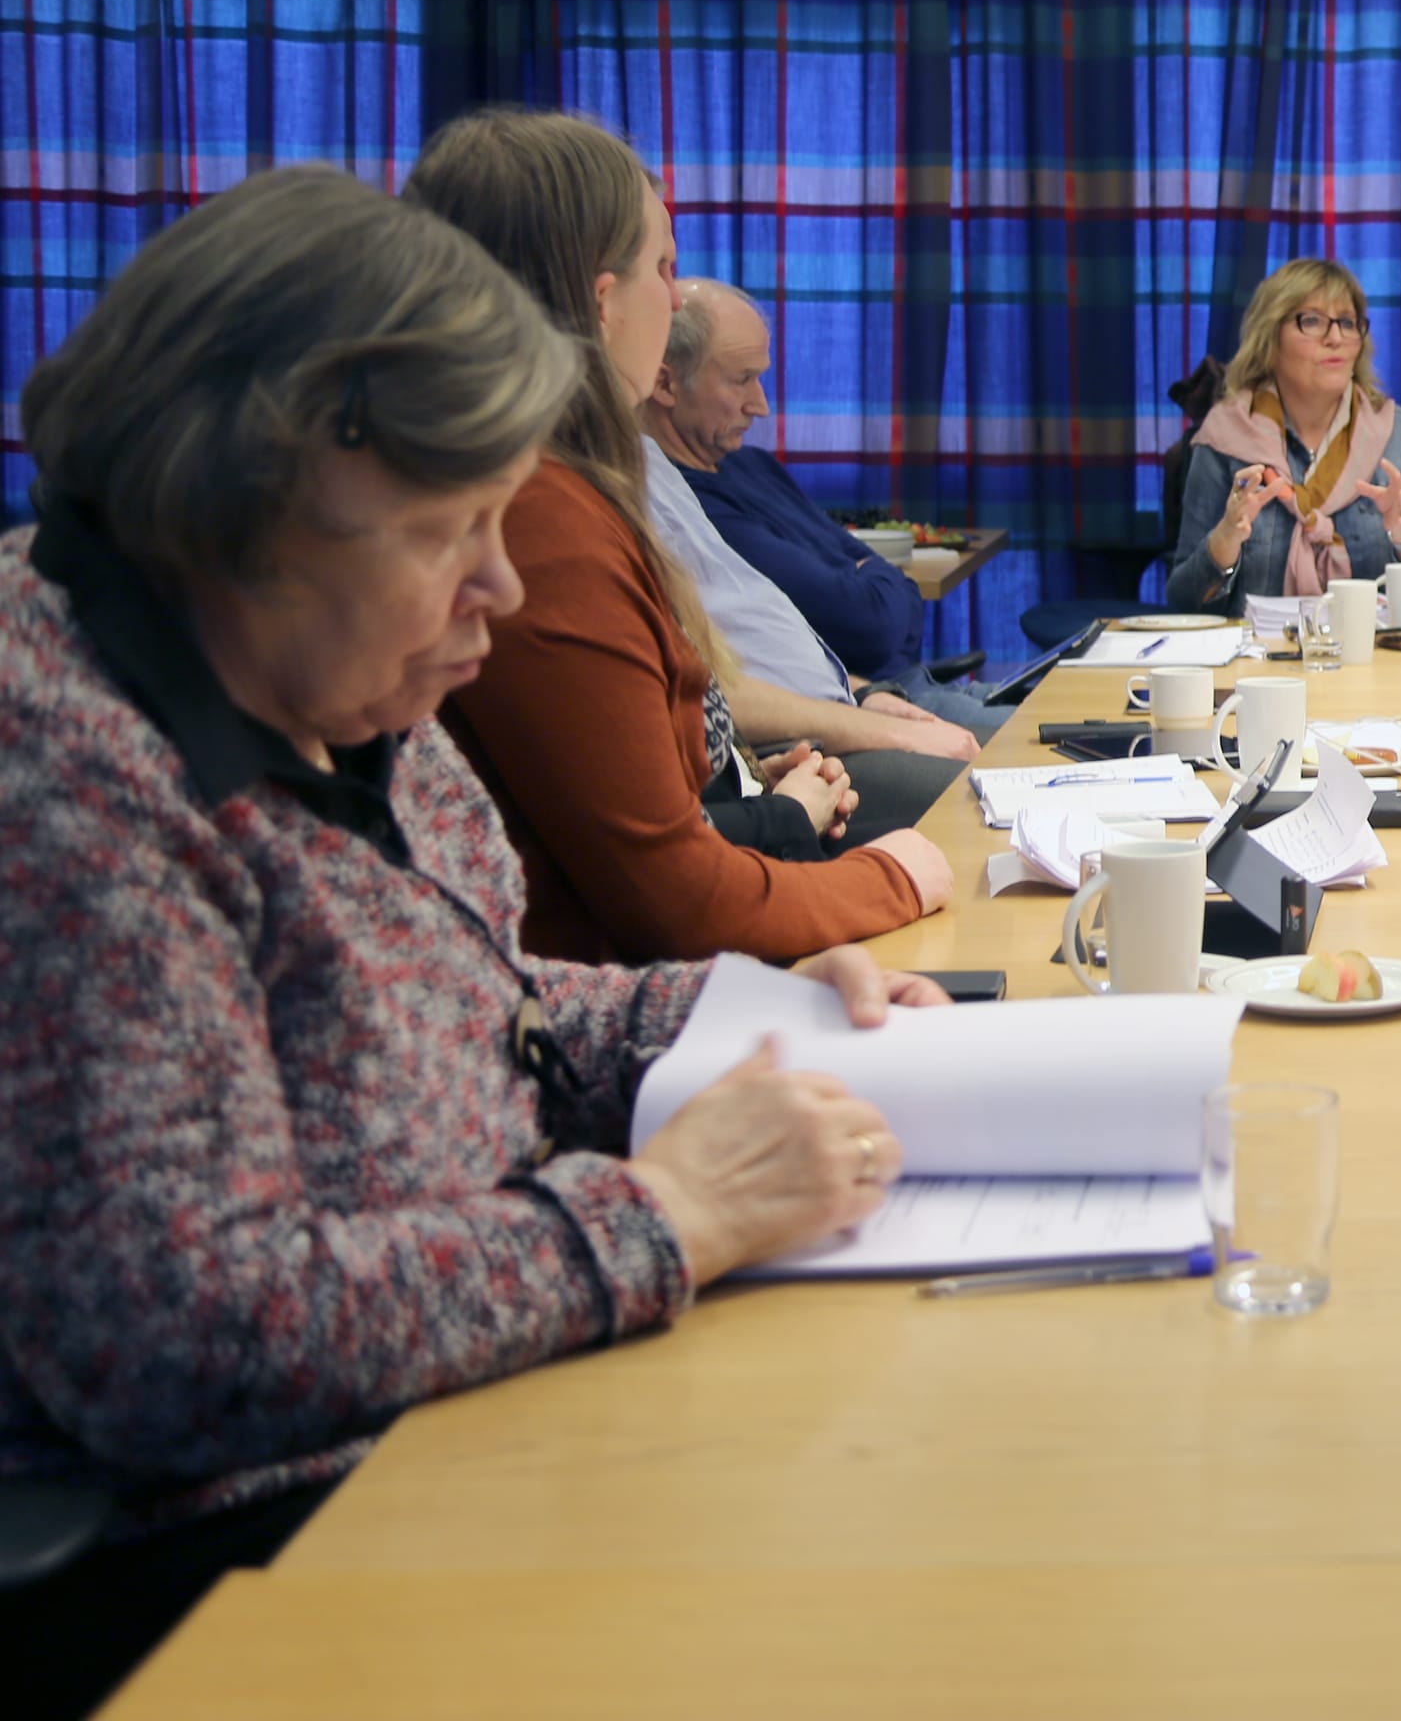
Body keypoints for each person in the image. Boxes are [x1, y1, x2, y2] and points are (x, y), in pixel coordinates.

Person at [0, 168, 941, 1719]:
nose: (499, 592)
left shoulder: (340, 679)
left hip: (463, 1411)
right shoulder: (67, 781)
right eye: (450, 532)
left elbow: (473, 1003)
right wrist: (666, 1216)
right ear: (240, 513)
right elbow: (180, 1339)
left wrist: (727, 1006)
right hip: (244, 1558)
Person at [402, 108, 953, 962]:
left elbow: (629, 805)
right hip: (629, 994)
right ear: (602, 303)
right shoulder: (543, 521)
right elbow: (673, 900)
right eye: (664, 267)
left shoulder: (554, 485)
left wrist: (738, 789)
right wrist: (896, 878)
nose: (675, 293)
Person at [653, 278, 1011, 738]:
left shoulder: (752, 464)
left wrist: (872, 579)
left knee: (1069, 712)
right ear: (666, 383)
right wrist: (870, 575)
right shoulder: (688, 506)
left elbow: (889, 599)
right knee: (1050, 744)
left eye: (760, 378)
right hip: (866, 710)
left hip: (899, 688)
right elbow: (871, 624)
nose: (760, 406)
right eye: (741, 380)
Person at [1165, 258, 1401, 613]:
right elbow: (1183, 601)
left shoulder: (1397, 432)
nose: (1336, 338)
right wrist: (1224, 542)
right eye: (1312, 321)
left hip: (1369, 646)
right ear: (1270, 338)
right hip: (1255, 649)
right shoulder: (1224, 437)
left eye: (1347, 322)